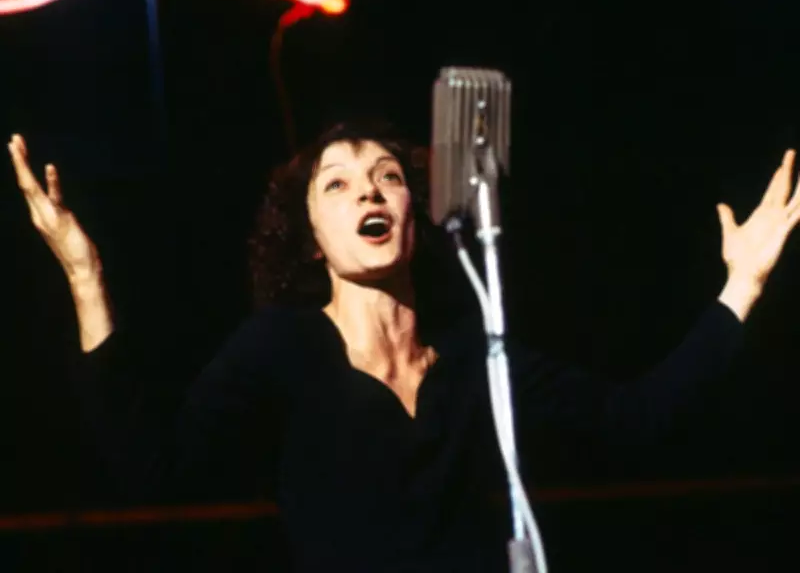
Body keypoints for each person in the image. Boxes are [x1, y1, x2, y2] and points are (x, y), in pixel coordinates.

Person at [7, 122, 800, 572]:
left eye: (387, 176)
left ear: (412, 217)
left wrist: (743, 286)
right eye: (338, 183)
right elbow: (154, 468)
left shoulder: (479, 361)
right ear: (311, 237)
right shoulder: (280, 348)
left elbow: (637, 420)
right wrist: (85, 276)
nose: (369, 190)